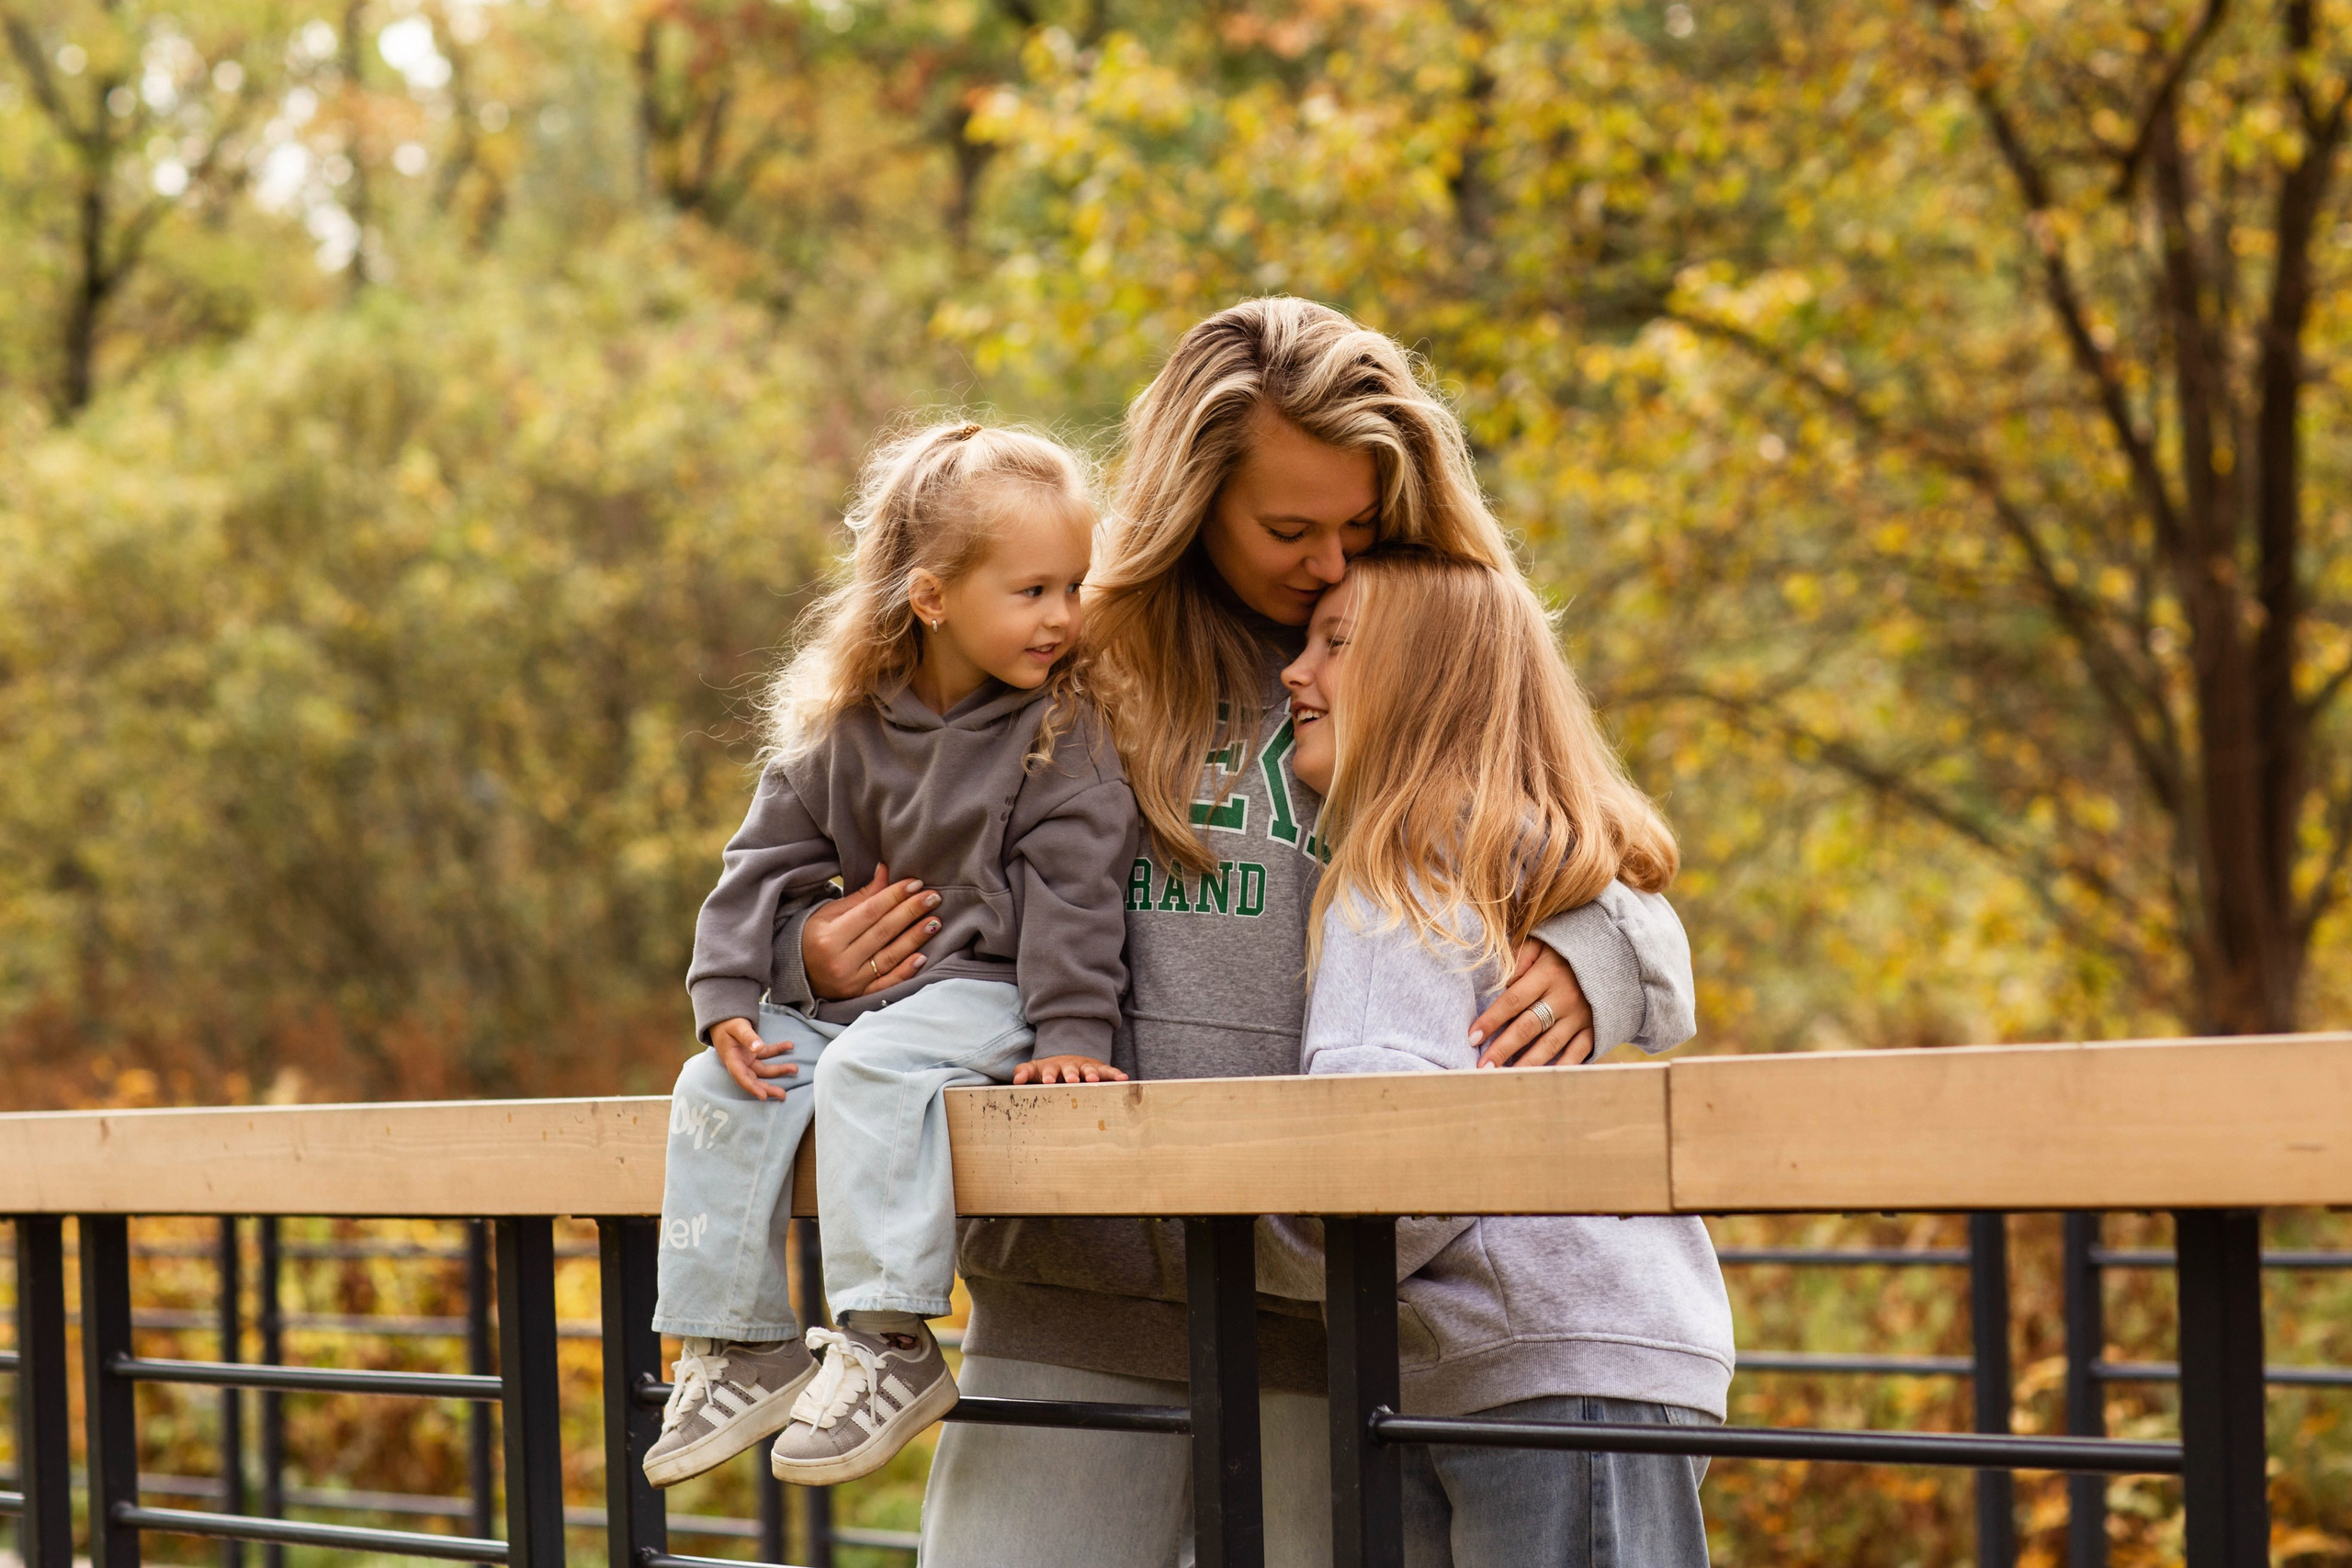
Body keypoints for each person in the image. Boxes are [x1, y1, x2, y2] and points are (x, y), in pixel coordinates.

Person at [796, 299, 1702, 1567]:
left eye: (1358, 524)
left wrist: (1598, 957)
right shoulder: (1063, 649)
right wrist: (806, 952)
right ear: (1196, 499)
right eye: (1288, 529)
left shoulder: (1422, 645)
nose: (1330, 562)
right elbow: (843, 826)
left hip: (1325, 1321)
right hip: (1069, 1297)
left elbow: (1611, 866)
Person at [643, 420, 1138, 1492]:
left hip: (990, 995)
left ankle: (889, 1340)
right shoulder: (843, 728)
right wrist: (730, 991)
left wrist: (1071, 1032)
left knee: (873, 1071)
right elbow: (761, 862)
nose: (1062, 616)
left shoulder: (1063, 735)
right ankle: (739, 1340)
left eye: (1073, 587)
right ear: (931, 596)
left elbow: (1078, 896)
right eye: (1032, 590)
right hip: (869, 1009)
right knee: (713, 1084)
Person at [1259, 550, 1733, 1568]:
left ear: (1424, 683)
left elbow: (1380, 1157)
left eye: (1336, 644)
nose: (1296, 670)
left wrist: (1233, 1239)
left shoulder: (1404, 877)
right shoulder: (1515, 855)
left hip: (1548, 1364)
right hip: (1563, 1352)